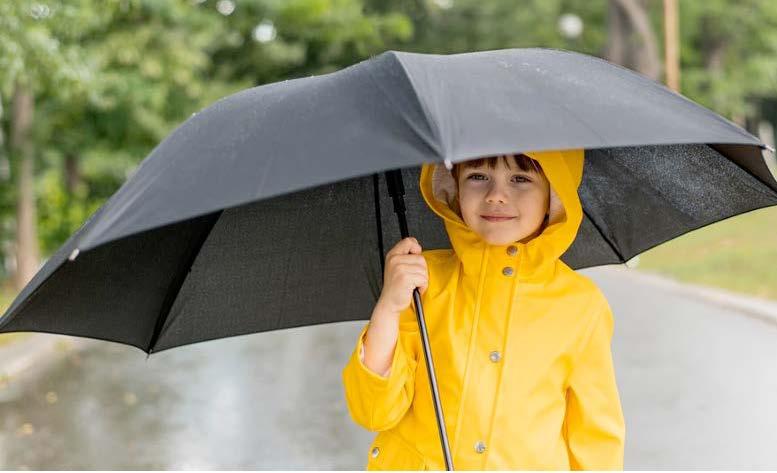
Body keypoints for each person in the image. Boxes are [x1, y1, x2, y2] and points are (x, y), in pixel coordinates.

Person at [341, 149, 625, 470]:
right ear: (454, 185)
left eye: (520, 179)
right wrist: (389, 308)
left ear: (554, 195)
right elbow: (374, 411)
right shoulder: (421, 282)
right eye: (478, 176)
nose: (496, 195)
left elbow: (596, 439)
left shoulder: (581, 306)